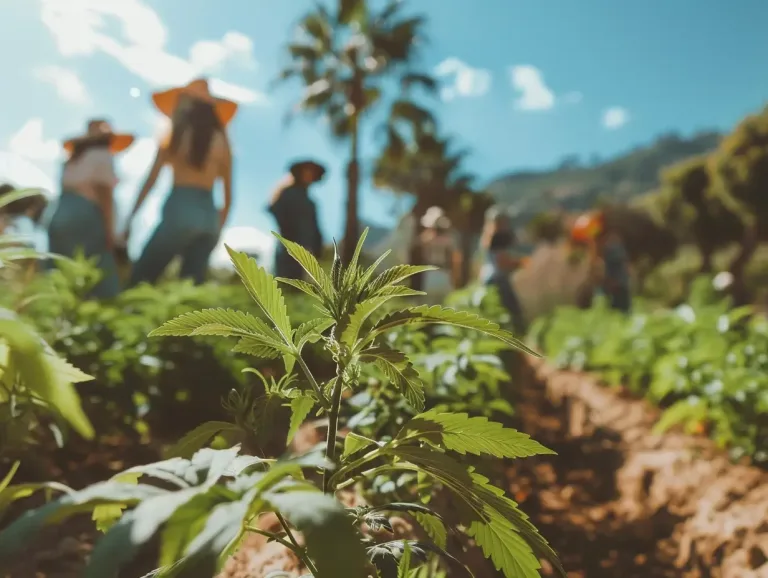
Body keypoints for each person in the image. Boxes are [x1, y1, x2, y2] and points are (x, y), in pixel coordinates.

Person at [125, 78, 236, 286]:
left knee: (141, 279)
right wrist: (217, 227)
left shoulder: (175, 134)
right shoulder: (223, 141)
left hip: (180, 207)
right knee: (191, 290)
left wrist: (130, 217)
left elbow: (151, 180)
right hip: (209, 217)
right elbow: (229, 195)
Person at [47, 119, 135, 299]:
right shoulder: (102, 155)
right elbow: (105, 196)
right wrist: (111, 232)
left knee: (60, 271)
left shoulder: (72, 159)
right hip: (86, 216)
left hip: (58, 214)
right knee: (99, 272)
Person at [268, 160, 325, 279]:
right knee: (284, 281)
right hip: (287, 247)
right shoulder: (287, 194)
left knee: (298, 282)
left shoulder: (311, 203)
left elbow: (315, 228)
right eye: (306, 171)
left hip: (304, 250)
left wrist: (317, 248)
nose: (309, 175)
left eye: (312, 173)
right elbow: (276, 212)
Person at [571, 211, 631, 312]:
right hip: (611, 290)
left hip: (617, 289)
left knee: (620, 314)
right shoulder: (605, 246)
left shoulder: (611, 246)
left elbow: (608, 272)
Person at [479, 207, 526, 333]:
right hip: (498, 278)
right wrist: (520, 263)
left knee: (493, 312)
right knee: (512, 312)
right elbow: (502, 261)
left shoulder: (487, 235)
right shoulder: (498, 237)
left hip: (486, 277)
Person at [418, 206, 460, 303]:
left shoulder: (428, 239)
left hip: (430, 275)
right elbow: (456, 260)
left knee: (429, 306)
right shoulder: (449, 240)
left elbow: (421, 242)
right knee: (444, 305)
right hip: (444, 273)